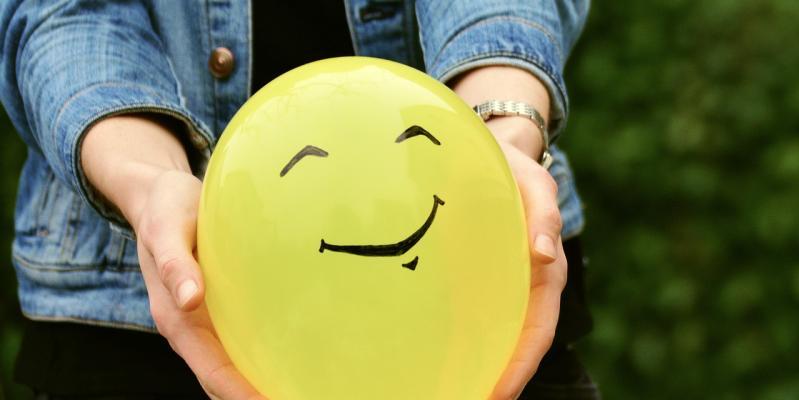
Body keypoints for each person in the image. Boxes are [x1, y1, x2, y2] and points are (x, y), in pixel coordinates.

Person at [0, 0, 596, 398]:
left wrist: (502, 131)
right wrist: (147, 180)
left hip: (475, 291)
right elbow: (61, 10)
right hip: (141, 322)